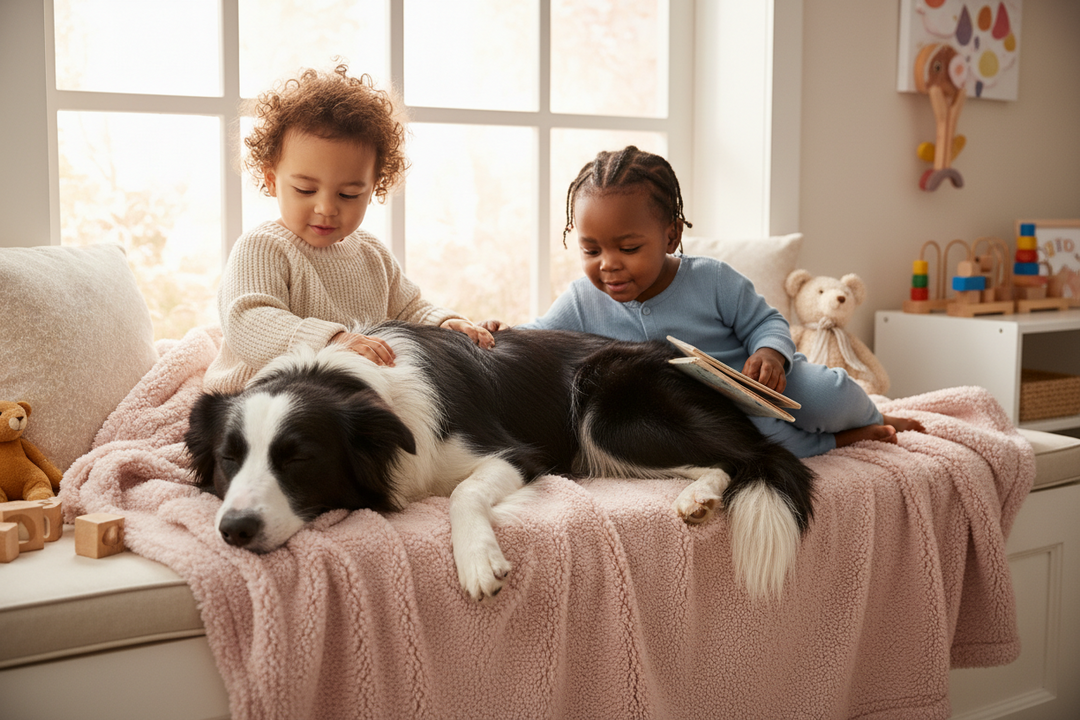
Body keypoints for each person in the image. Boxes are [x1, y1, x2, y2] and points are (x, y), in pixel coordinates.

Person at [504, 146, 923, 458]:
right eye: (591, 251)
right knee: (759, 446)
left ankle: (872, 418)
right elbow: (537, 339)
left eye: (628, 248)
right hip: (692, 415)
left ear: (670, 236)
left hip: (760, 386)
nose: (608, 265)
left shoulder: (711, 279)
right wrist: (494, 334)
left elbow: (767, 321)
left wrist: (770, 356)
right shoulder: (581, 300)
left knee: (828, 393)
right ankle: (840, 441)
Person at [204, 64, 493, 393]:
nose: (326, 207)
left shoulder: (371, 253)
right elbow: (248, 322)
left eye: (348, 194)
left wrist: (444, 323)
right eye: (305, 190)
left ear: (373, 189)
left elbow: (410, 308)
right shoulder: (262, 247)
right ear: (272, 180)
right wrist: (333, 340)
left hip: (333, 399)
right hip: (256, 400)